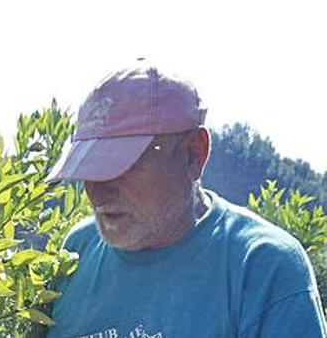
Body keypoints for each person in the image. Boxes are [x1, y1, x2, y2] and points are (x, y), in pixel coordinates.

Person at [42, 63, 326, 338]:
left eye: (123, 166)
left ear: (194, 154)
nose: (97, 194)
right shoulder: (77, 251)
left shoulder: (263, 265)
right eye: (89, 170)